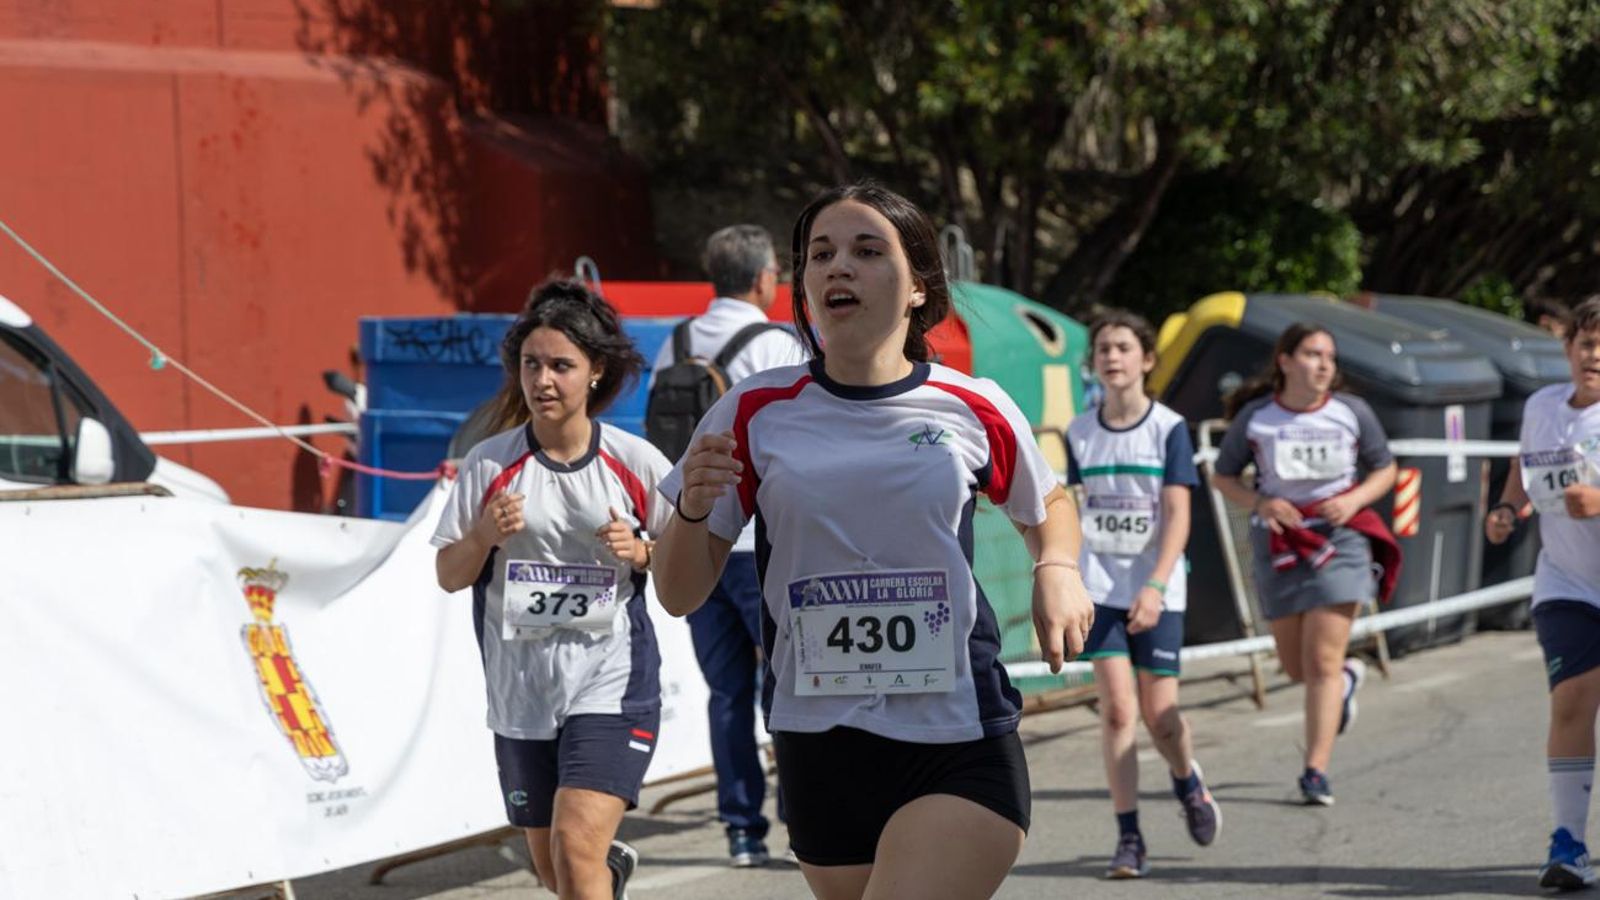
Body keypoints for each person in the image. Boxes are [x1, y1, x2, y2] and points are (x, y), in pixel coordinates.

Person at [652, 182, 1094, 900]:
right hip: (818, 739)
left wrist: (1058, 565)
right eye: (820, 254)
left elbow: (1047, 501)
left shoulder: (970, 404)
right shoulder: (754, 409)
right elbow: (677, 593)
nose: (838, 267)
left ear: (918, 286)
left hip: (958, 731)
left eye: (866, 250)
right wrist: (693, 513)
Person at [431, 279, 672, 900]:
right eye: (531, 364)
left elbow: (685, 563)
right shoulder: (490, 464)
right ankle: (606, 874)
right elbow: (449, 575)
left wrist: (643, 552)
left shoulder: (636, 462)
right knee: (556, 870)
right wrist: (483, 535)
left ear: (596, 372)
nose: (543, 380)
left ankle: (595, 865)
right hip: (522, 692)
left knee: (573, 846)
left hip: (611, 683)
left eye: (561, 366)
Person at [648, 224, 807, 867]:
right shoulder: (776, 343)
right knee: (788, 682)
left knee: (727, 692)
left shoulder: (676, 342)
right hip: (756, 544)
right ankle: (801, 815)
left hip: (691, 535)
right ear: (765, 279)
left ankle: (742, 829)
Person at [1212, 323, 1399, 807]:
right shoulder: (1257, 417)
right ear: (1285, 361)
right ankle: (1348, 679)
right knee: (1296, 667)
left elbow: (1386, 468)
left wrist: (1354, 499)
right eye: (1313, 355)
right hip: (1281, 542)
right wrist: (1262, 503)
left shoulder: (1352, 412)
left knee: (1321, 664)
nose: (1323, 365)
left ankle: (1315, 771)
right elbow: (1223, 476)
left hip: (1341, 539)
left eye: (1329, 357)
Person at [1066, 310, 1220, 878]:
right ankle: (1129, 838)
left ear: (1147, 360)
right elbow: (1076, 509)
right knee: (1117, 713)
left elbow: (1178, 515)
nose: (1112, 356)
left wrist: (1155, 585)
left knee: (1160, 716)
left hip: (1157, 586)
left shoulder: (1169, 428)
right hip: (1101, 587)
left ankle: (1186, 780)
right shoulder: (1079, 432)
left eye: (1123, 347)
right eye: (1103, 348)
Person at [1485, 296, 1600, 891]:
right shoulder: (1542, 406)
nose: (1595, 357)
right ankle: (1568, 841)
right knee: (1573, 699)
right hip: (1567, 581)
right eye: (1588, 344)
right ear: (1568, 348)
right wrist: (1510, 507)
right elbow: (1525, 466)